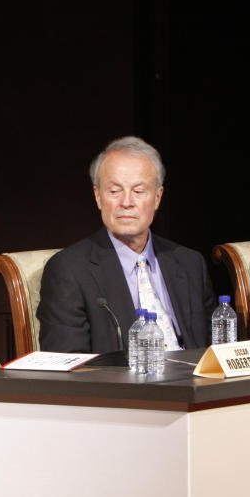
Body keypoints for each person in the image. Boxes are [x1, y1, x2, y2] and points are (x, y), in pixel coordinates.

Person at [37, 136, 216, 353]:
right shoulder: (69, 270)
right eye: (114, 191)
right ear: (98, 197)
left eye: (139, 191)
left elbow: (216, 349)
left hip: (195, 381)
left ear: (158, 197)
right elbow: (68, 363)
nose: (126, 202)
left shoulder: (190, 263)